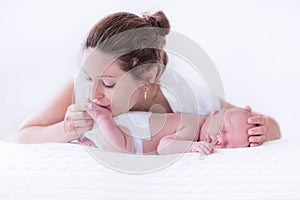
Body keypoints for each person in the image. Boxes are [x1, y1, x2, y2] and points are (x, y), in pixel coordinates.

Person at [15, 10, 281, 148]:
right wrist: (64, 130)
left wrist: (263, 129)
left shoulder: (186, 98)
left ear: (147, 76)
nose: (94, 92)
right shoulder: (80, 89)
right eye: (89, 76)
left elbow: (268, 125)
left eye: (108, 83)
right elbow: (25, 135)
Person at [89, 101, 256, 155]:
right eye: (224, 130)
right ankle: (104, 119)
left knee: (102, 144)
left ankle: (90, 139)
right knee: (123, 146)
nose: (220, 140)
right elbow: (164, 146)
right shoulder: (192, 125)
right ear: (215, 113)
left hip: (131, 129)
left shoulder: (197, 125)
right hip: (131, 132)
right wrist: (192, 146)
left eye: (227, 145)